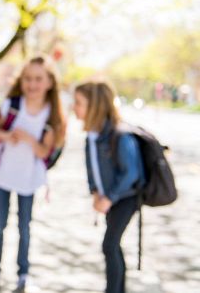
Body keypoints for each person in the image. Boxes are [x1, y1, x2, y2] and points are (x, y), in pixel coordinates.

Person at [0, 56, 66, 292]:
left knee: (24, 227)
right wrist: (7, 136)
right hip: (3, 175)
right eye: (28, 78)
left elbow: (43, 151)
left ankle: (23, 274)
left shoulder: (50, 115)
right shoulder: (12, 105)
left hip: (28, 180)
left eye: (39, 79)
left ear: (49, 82)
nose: (32, 84)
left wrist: (29, 138)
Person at [73, 82, 145, 293]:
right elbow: (92, 168)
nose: (74, 108)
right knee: (113, 246)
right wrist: (95, 191)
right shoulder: (92, 136)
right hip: (109, 199)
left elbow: (131, 173)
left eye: (78, 103)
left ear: (94, 106)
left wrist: (109, 197)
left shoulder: (119, 134)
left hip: (126, 198)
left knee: (109, 245)